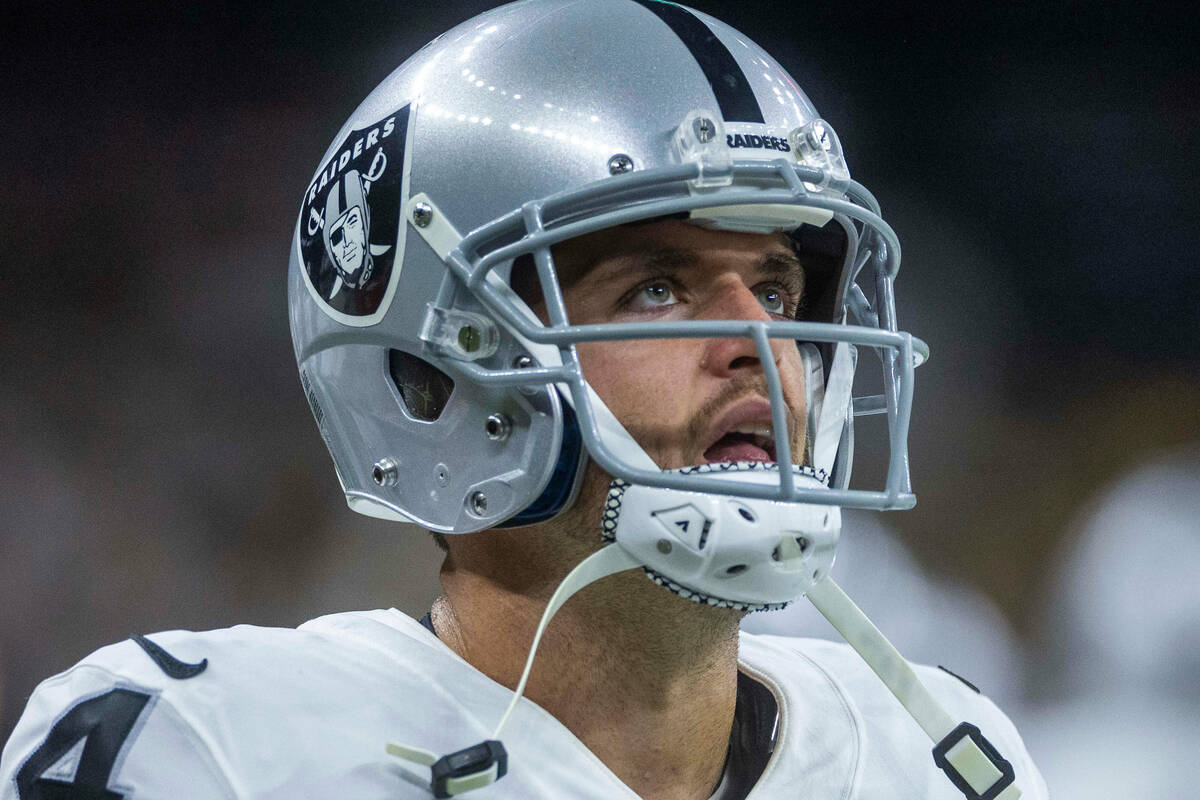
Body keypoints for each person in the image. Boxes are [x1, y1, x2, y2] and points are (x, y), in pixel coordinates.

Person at [0, 2, 1047, 798]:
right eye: (657, 287)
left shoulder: (938, 753)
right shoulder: (218, 748)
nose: (759, 347)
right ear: (437, 367)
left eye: (777, 286)